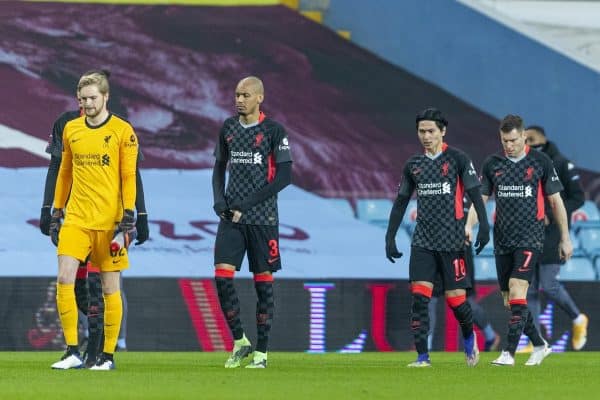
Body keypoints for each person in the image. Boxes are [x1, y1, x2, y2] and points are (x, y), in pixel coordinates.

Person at [40, 70, 148, 366]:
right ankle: (73, 351)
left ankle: (108, 356)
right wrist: (56, 212)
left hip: (109, 223)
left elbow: (129, 175)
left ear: (105, 97)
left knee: (109, 288)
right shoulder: (71, 129)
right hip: (76, 219)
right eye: (83, 99)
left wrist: (130, 214)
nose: (87, 104)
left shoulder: (123, 131)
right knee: (64, 278)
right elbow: (64, 172)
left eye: (92, 98)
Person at [385, 107, 490, 367]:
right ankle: (422, 357)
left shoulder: (458, 159)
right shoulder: (414, 165)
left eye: (431, 131)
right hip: (422, 242)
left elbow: (476, 195)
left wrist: (484, 227)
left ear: (443, 131)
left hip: (453, 242)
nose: (426, 136)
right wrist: (390, 237)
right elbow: (400, 203)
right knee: (420, 298)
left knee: (456, 301)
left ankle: (469, 337)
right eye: (421, 131)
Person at [466, 114, 573, 366]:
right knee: (511, 300)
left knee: (517, 288)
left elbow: (556, 202)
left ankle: (509, 353)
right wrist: (467, 226)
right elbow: (480, 200)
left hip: (530, 238)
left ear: (524, 136)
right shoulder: (493, 163)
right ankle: (539, 344)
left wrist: (565, 239)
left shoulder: (541, 162)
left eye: (513, 140)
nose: (509, 145)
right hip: (502, 240)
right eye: (505, 140)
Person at [212, 76, 292, 369]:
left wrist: (246, 204)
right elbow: (219, 166)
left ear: (260, 98)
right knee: (222, 278)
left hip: (263, 220)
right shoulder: (229, 128)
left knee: (264, 287)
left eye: (245, 95)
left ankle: (262, 352)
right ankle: (239, 341)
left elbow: (284, 177)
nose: (239, 99)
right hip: (231, 219)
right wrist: (219, 199)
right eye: (236, 94)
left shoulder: (273, 131)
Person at [525, 125, 587, 350]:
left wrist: (551, 215)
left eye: (530, 139)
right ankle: (536, 340)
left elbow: (578, 197)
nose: (527, 144)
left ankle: (578, 318)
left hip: (553, 233)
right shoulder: (525, 164)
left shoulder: (561, 163)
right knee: (530, 288)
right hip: (529, 232)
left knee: (549, 286)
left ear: (542, 139)